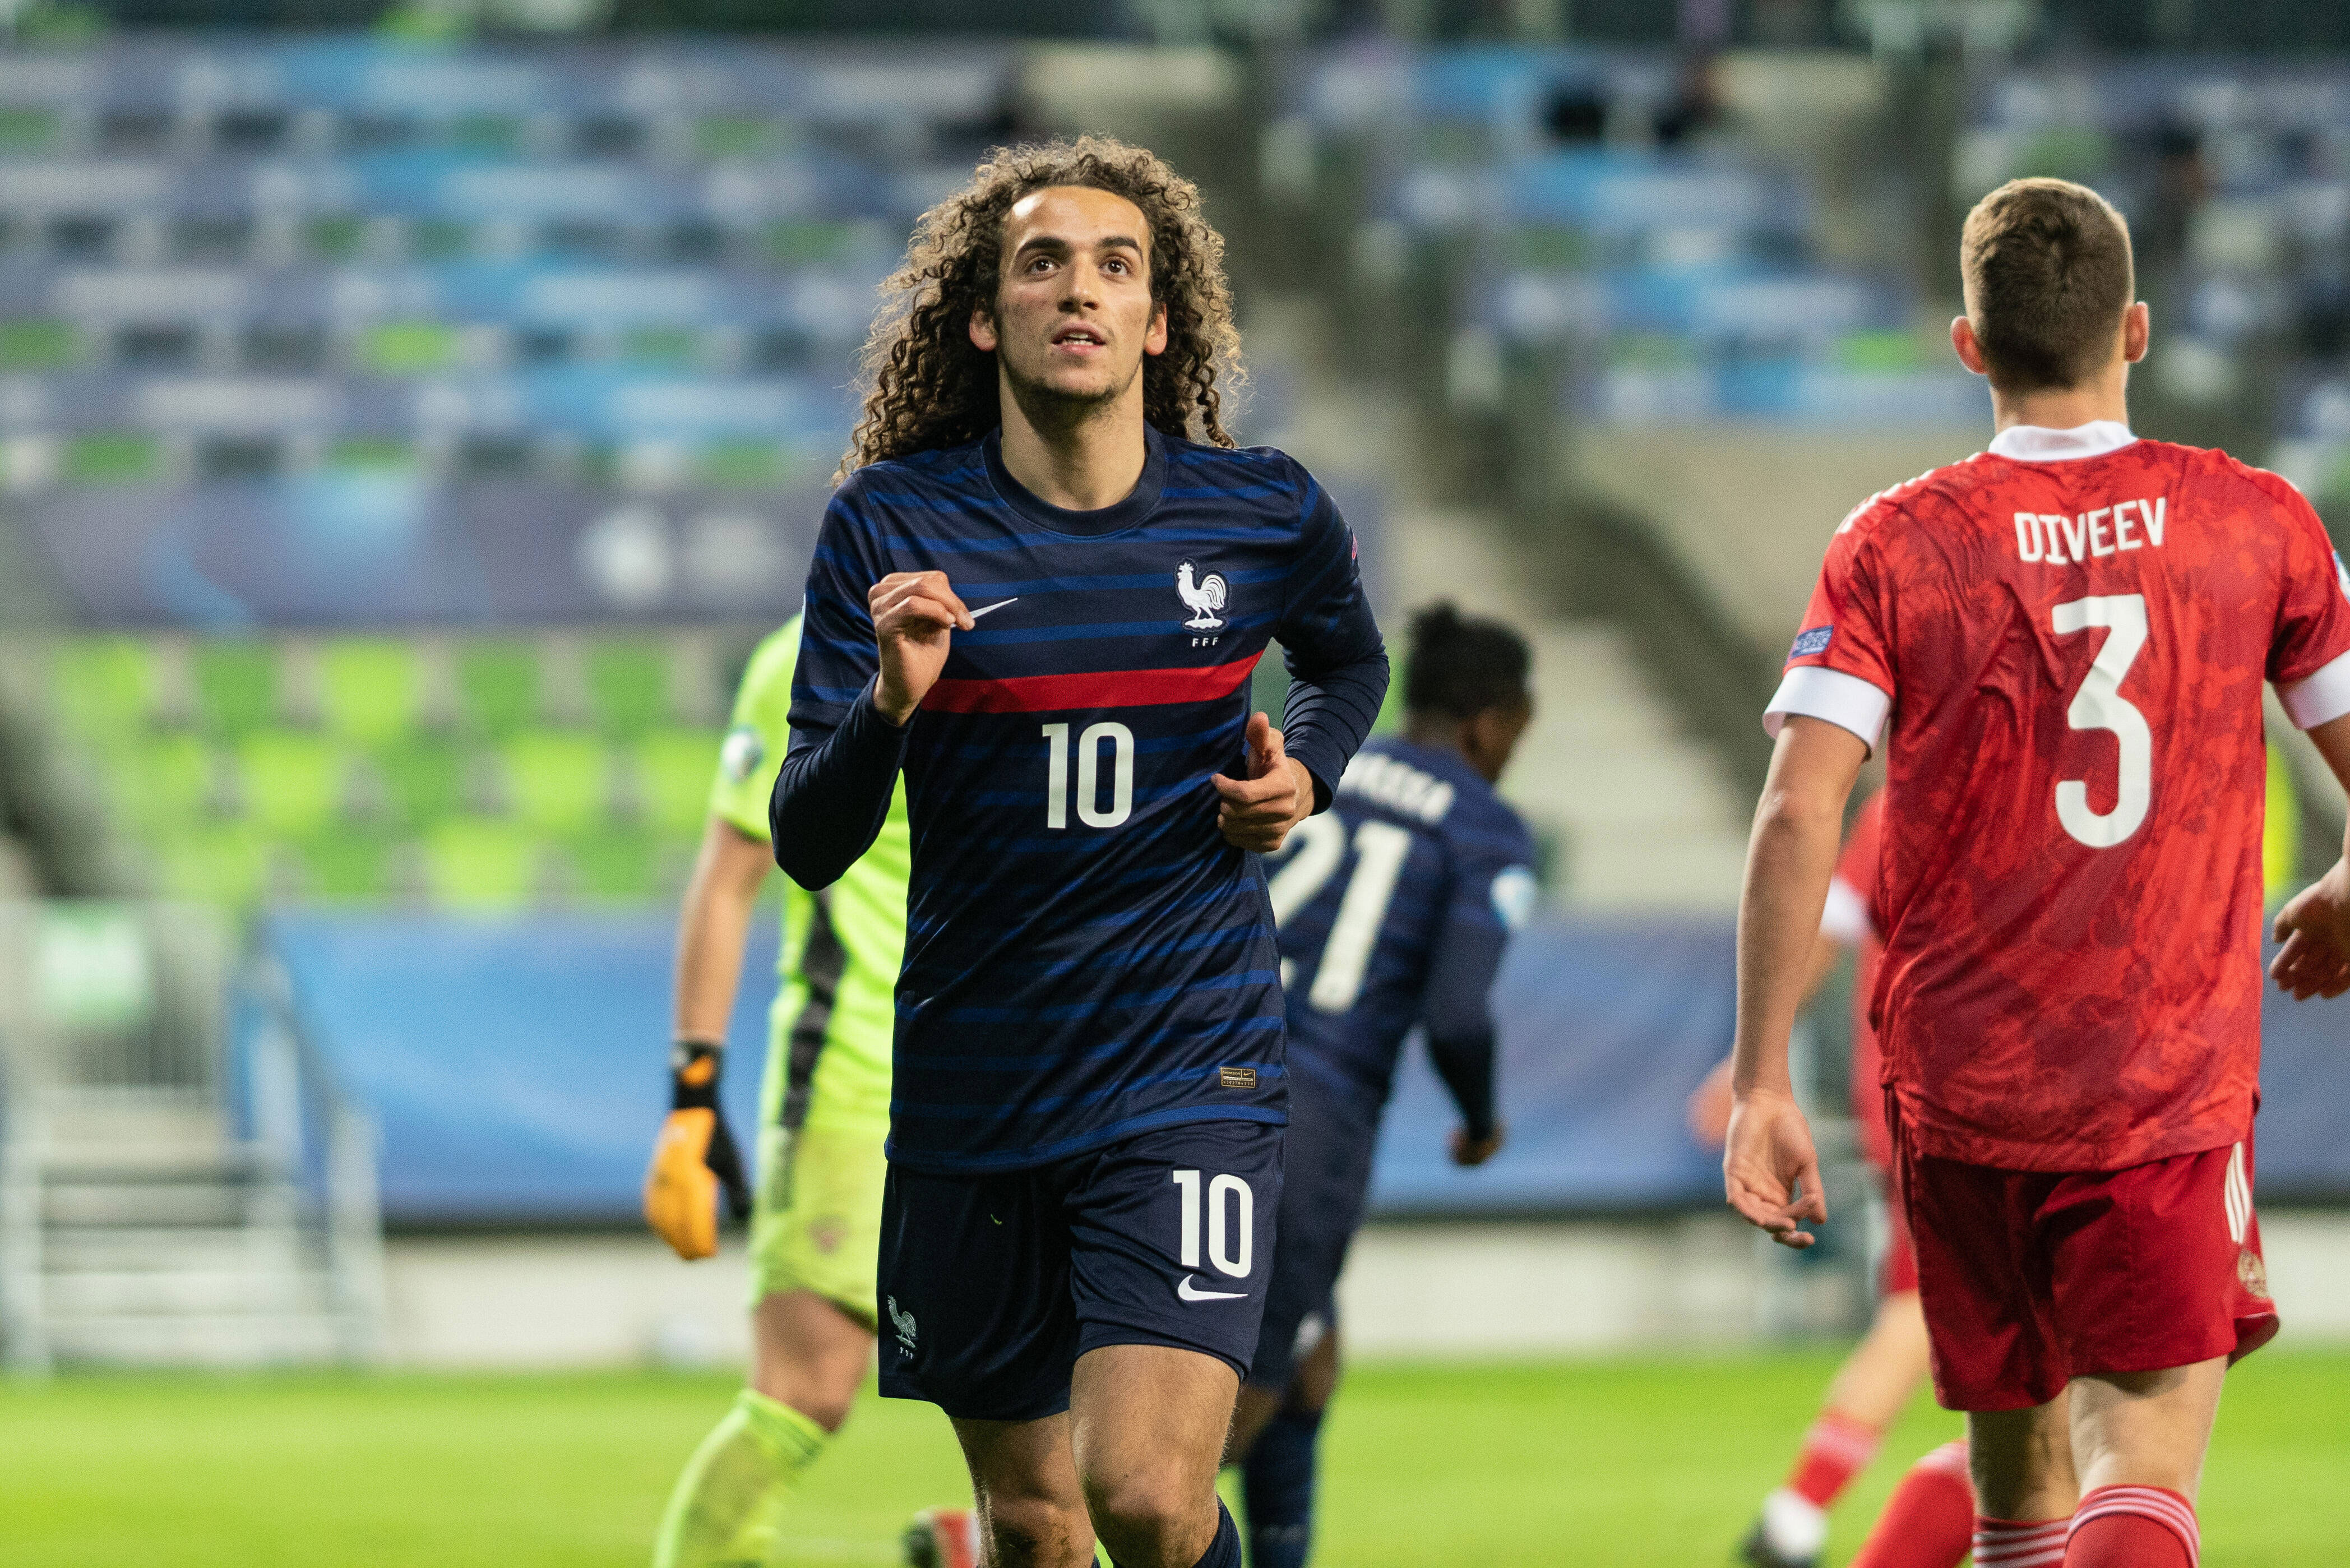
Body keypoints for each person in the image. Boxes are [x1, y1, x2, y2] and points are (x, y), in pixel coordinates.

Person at [771, 136, 1389, 1568]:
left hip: (1188, 1068)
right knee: (1034, 1526)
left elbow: (1346, 668)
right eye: (1040, 262)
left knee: (1148, 1497)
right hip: (974, 1085)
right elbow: (810, 839)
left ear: (1158, 322)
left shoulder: (1261, 511)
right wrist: (888, 703)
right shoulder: (890, 527)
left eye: (1117, 266)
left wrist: (1304, 771)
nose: (1080, 290)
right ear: (982, 315)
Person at [1724, 174, 2350, 1568]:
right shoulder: (2254, 519)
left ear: (1967, 344)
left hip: (1958, 1099)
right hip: (2159, 1080)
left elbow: (1793, 811)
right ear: (2134, 332)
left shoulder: (1891, 542)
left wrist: (1765, 1073)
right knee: (2140, 1457)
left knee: (2019, 1494)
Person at [1229, 600, 1538, 1568]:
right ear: (1493, 720)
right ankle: (1012, 1542)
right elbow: (1458, 1015)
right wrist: (1482, 1121)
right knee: (1219, 1409)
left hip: (1191, 1067)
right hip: (1307, 1114)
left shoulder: (1323, 764)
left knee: (1310, 1358)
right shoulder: (1483, 828)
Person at [640, 613, 912, 1568]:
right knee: (807, 1387)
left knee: (1059, 1412)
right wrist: (693, 1091)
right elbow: (727, 878)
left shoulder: (1044, 638)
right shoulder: (814, 655)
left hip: (1018, 1075)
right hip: (854, 1072)